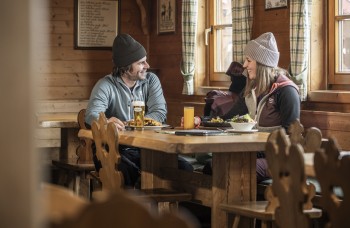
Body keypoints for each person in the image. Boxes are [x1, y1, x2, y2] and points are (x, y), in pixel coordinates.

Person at [85, 34, 193, 188]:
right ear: (126, 66)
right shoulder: (105, 85)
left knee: (185, 169)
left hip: (148, 147)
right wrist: (107, 122)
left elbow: (159, 112)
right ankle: (128, 210)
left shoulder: (151, 80)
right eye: (141, 63)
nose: (147, 66)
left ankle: (167, 212)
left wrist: (131, 124)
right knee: (127, 171)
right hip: (114, 148)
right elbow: (91, 115)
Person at [203, 32, 301, 182]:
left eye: (249, 60)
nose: (244, 65)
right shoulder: (251, 90)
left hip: (281, 157)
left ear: (261, 63)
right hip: (257, 151)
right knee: (211, 167)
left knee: (235, 172)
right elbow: (227, 119)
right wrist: (201, 121)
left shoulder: (287, 91)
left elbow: (291, 136)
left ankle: (233, 205)